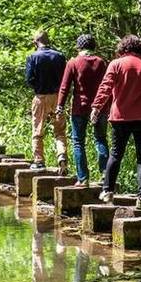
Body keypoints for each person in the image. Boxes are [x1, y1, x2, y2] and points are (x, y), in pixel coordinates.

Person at [90, 35, 141, 210]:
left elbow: (105, 87)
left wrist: (96, 108)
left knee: (115, 154)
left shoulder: (116, 64)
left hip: (120, 117)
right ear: (140, 48)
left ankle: (107, 192)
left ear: (123, 48)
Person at [56, 34, 109, 187]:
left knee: (78, 142)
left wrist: (60, 105)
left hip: (80, 107)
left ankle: (83, 178)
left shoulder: (73, 62)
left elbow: (65, 87)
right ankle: (105, 173)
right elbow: (107, 85)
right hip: (100, 108)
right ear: (94, 46)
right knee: (101, 139)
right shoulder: (101, 63)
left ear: (78, 46)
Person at [25, 30, 67, 172]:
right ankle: (62, 156)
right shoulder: (60, 56)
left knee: (37, 130)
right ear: (48, 41)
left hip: (41, 96)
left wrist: (38, 87)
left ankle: (39, 161)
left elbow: (29, 79)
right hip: (57, 97)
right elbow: (65, 79)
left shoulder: (32, 57)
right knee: (60, 130)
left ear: (35, 42)